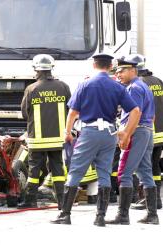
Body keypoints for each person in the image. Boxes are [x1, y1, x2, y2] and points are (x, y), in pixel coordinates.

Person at [50, 53, 140, 226]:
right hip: (109, 134)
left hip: (89, 132)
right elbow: (135, 110)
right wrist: (127, 133)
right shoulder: (118, 87)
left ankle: (65, 215)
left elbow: (73, 112)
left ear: (94, 65)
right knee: (104, 173)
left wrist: (67, 132)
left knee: (76, 171)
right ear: (110, 66)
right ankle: (100, 217)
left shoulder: (85, 84)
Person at [107, 55, 159, 225]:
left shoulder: (133, 88)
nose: (118, 74)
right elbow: (151, 116)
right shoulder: (143, 86)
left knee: (124, 172)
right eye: (117, 71)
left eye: (121, 71)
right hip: (146, 132)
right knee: (145, 172)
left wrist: (126, 134)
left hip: (136, 132)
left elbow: (135, 113)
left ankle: (123, 215)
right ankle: (152, 215)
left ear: (132, 70)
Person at [18, 54, 71, 209]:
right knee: (58, 170)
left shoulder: (31, 89)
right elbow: (71, 109)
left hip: (37, 140)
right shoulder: (63, 87)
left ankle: (30, 200)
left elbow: (25, 114)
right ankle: (62, 202)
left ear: (37, 70)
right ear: (51, 69)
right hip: (57, 138)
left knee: (34, 171)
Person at [129, 54, 163, 210]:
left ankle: (146, 199)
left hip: (146, 131)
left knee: (143, 165)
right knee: (154, 165)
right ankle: (156, 200)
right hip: (160, 131)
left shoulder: (138, 84)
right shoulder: (157, 81)